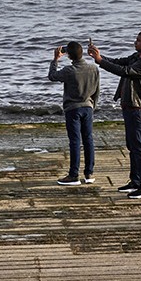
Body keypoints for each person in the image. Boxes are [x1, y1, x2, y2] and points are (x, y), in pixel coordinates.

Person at [89, 31, 141, 199]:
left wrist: (100, 61)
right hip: (129, 106)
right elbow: (119, 62)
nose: (135, 42)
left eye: (139, 41)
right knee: (132, 145)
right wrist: (99, 57)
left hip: (138, 108)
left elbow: (125, 71)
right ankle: (135, 181)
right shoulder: (137, 57)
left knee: (140, 146)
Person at [48, 41, 100, 185]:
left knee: (75, 141)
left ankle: (73, 174)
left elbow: (52, 76)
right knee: (88, 140)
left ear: (69, 55)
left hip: (73, 108)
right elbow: (97, 90)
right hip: (88, 106)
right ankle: (89, 173)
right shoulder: (93, 68)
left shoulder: (69, 70)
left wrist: (55, 60)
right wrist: (92, 106)